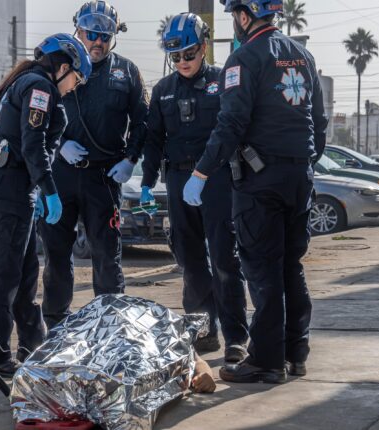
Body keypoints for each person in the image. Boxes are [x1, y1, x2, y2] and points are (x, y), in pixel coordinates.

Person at [184, 0, 327, 383]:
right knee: (290, 267)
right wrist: (303, 163)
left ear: (245, 15)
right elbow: (320, 121)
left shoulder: (243, 60)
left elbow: (230, 124)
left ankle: (265, 361)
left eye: (234, 15)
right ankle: (296, 354)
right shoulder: (304, 57)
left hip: (260, 183)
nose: (235, 22)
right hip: (300, 178)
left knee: (263, 272)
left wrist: (201, 171)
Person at [0, 33, 91, 378]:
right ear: (64, 67)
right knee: (6, 273)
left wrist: (38, 191)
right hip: (9, 186)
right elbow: (33, 144)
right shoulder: (39, 87)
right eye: (77, 78)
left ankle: (32, 344)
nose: (75, 86)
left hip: (15, 186)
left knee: (25, 272)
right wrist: (49, 189)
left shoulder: (31, 84)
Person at [141, 12, 249, 362]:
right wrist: (145, 182)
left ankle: (236, 337)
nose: (183, 62)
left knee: (223, 259)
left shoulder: (221, 82)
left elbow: (233, 130)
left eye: (189, 54)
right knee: (189, 260)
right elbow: (154, 140)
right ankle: (203, 332)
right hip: (177, 180)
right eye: (176, 57)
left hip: (216, 180)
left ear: (204, 47)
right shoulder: (162, 91)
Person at [39, 1, 149, 328]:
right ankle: (57, 324)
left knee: (107, 256)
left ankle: (110, 325)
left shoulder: (127, 72)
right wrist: (58, 147)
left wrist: (131, 159)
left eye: (105, 35)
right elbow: (37, 117)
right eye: (91, 34)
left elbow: (144, 121)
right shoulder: (58, 67)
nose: (97, 41)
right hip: (61, 176)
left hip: (104, 177)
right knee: (57, 255)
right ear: (78, 31)